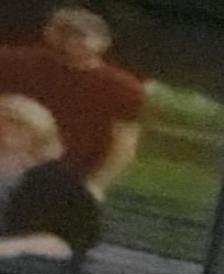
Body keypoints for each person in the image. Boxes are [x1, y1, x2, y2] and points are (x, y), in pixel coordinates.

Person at [0, 7, 141, 197]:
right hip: (8, 166)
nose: (76, 41)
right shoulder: (14, 61)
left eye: (84, 35)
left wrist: (95, 186)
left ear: (105, 42)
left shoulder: (123, 88)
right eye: (68, 32)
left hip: (68, 177)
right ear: (49, 33)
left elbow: (124, 145)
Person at [0, 91, 94, 262]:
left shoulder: (57, 183)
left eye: (13, 124)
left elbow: (65, 243)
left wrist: (11, 248)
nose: (4, 132)